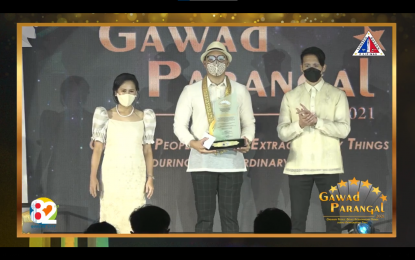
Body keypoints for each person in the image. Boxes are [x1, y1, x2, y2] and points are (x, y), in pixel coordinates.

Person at [173, 41, 256, 233]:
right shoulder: (191, 91)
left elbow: (249, 123)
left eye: (220, 58)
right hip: (202, 161)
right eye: (211, 58)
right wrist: (192, 143)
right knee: (204, 220)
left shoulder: (240, 90)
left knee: (230, 220)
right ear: (204, 63)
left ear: (227, 62)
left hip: (232, 161)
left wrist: (246, 141)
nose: (215, 62)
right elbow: (179, 125)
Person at [277, 46, 351, 233]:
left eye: (316, 65)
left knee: (333, 223)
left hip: (329, 166)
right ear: (301, 68)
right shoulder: (290, 96)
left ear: (324, 67)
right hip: (298, 166)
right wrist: (300, 124)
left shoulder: (337, 95)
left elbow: (343, 130)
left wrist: (318, 121)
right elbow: (282, 133)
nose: (311, 68)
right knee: (297, 223)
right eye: (307, 65)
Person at [89, 73, 156, 234]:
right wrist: (93, 176)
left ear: (137, 92)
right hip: (112, 175)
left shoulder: (145, 117)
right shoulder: (105, 115)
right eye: (123, 90)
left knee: (135, 218)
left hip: (135, 176)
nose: (127, 94)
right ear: (115, 92)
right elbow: (98, 149)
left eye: (131, 91)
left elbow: (147, 150)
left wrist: (150, 178)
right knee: (111, 218)